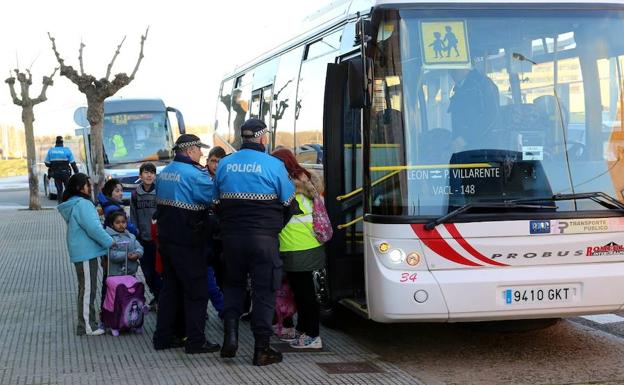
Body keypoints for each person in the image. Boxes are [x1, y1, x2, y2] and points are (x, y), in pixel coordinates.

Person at [214, 118, 296, 366]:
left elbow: (215, 202)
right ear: (263, 138)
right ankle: (262, 350)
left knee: (233, 286)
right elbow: (288, 203)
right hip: (263, 240)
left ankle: (230, 337)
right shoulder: (274, 165)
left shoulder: (224, 164)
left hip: (232, 239)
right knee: (264, 291)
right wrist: (273, 229)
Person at [152, 134, 220, 354]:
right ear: (190, 150)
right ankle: (196, 341)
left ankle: (163, 338)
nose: (201, 153)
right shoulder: (195, 175)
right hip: (189, 241)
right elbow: (213, 200)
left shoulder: (164, 173)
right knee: (197, 292)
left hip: (167, 240)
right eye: (199, 149)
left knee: (170, 289)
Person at [272, 148, 325, 349]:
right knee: (302, 292)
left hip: (297, 246)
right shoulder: (306, 180)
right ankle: (304, 332)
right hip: (308, 244)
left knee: (305, 294)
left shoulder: (288, 186)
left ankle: (312, 335)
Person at [57, 173, 113, 336]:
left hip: (82, 252)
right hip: (86, 253)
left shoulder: (74, 203)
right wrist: (110, 242)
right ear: (79, 188)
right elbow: (93, 228)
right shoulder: (83, 204)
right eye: (88, 184)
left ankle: (87, 323)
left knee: (85, 288)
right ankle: (87, 326)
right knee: (88, 289)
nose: (90, 187)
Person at [130, 162, 162, 310]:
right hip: (143, 239)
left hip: (159, 239)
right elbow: (133, 215)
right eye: (146, 172)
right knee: (148, 272)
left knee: (159, 271)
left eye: (152, 172)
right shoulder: (135, 194)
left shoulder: (160, 192)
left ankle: (161, 297)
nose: (149, 175)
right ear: (140, 176)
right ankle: (156, 295)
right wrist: (135, 232)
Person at [447, 68, 500, 152]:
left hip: (482, 151)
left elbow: (492, 116)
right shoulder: (460, 87)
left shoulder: (481, 84)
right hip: (465, 150)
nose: (450, 72)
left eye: (454, 69)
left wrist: (465, 139)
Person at [105, 211, 144, 276]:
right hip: (116, 274)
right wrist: (126, 255)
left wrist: (137, 254)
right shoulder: (110, 238)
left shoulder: (131, 236)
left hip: (131, 273)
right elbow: (111, 254)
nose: (121, 225)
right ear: (112, 225)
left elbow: (139, 247)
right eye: (117, 223)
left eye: (123, 222)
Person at [45, 136, 79, 203]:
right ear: (62, 143)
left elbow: (47, 163)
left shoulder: (51, 150)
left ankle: (60, 204)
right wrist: (77, 174)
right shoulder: (67, 150)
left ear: (56, 142)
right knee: (68, 189)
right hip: (66, 174)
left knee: (59, 190)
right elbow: (73, 164)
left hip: (56, 174)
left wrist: (54, 164)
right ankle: (68, 203)